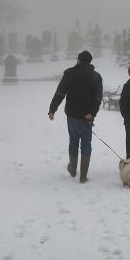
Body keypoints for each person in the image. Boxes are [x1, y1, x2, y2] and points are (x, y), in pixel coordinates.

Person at [48, 50, 103, 183]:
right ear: (90, 61)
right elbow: (97, 98)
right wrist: (92, 113)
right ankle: (83, 176)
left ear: (78, 60)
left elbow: (60, 93)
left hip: (72, 114)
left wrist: (52, 109)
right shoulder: (96, 77)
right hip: (87, 117)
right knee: (86, 143)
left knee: (73, 140)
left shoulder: (69, 74)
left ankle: (73, 169)